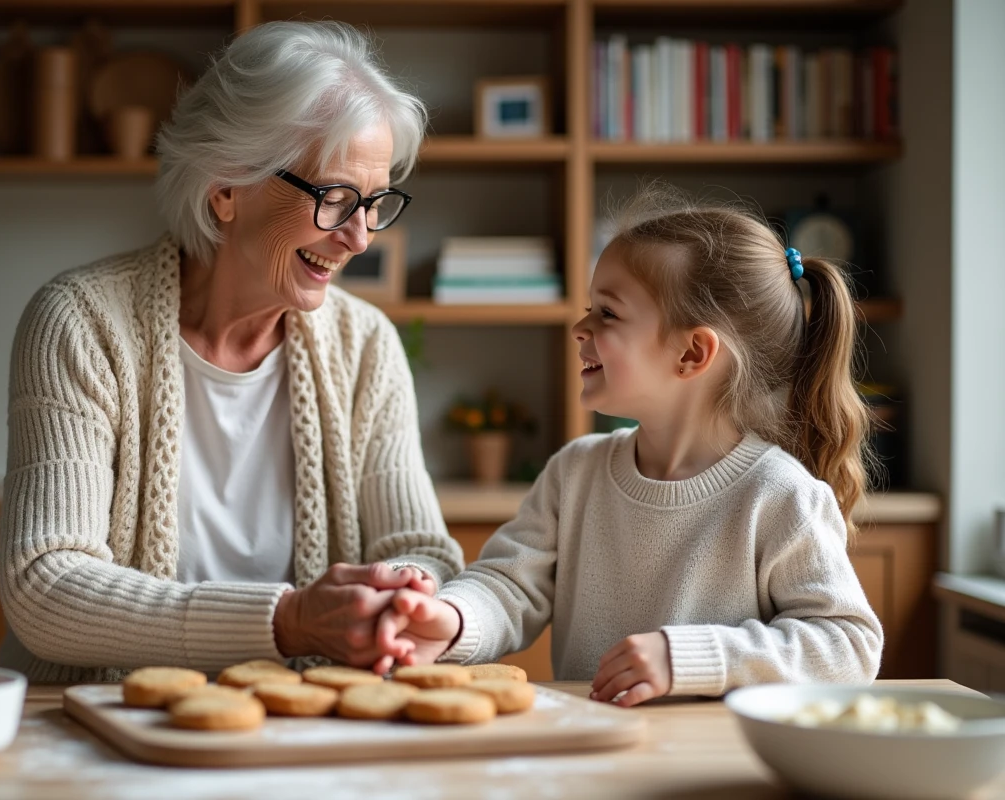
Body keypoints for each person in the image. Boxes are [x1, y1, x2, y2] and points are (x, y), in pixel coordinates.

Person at [0, 20, 463, 683]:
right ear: (225, 189)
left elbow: (419, 549)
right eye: (335, 199)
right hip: (102, 729)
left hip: (300, 730)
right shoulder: (80, 323)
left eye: (375, 203)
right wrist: (288, 621)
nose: (361, 239)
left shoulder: (366, 345)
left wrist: (405, 595)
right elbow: (44, 587)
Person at [374, 185, 884, 705]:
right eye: (588, 308)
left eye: (608, 314)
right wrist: (452, 619)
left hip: (716, 766)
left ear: (692, 353)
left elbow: (847, 646)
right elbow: (509, 587)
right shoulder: (575, 472)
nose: (580, 327)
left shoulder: (780, 494)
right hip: (595, 755)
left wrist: (690, 658)